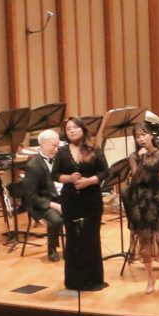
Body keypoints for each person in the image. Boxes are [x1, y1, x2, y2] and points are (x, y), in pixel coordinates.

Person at [54, 116, 107, 292]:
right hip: (70, 200)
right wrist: (68, 178)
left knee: (91, 239)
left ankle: (92, 280)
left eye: (75, 127)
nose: (72, 131)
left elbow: (105, 172)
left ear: (83, 129)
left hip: (91, 199)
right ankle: (74, 281)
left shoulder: (95, 149)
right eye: (68, 129)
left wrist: (88, 181)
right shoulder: (62, 152)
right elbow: (54, 174)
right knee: (73, 239)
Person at [122, 121, 159, 295]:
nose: (141, 139)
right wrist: (142, 161)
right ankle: (150, 279)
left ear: (151, 135)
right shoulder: (135, 156)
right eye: (137, 136)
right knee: (145, 241)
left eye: (144, 134)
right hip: (142, 202)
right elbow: (135, 179)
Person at [17, 127, 63, 260]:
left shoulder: (59, 159)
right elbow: (32, 197)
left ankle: (73, 247)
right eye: (53, 146)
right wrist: (54, 205)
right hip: (40, 204)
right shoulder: (33, 166)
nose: (56, 149)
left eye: (58, 146)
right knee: (56, 219)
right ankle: (52, 249)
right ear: (43, 144)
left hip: (59, 198)